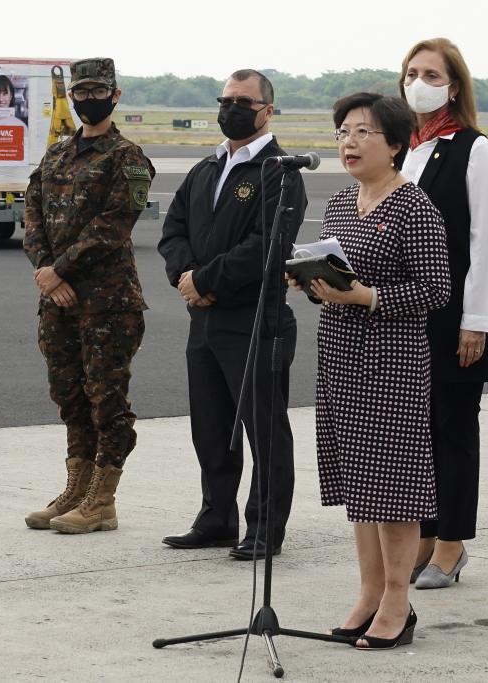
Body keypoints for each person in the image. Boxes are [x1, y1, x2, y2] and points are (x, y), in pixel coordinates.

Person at [288, 92, 451, 649]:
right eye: (342, 133)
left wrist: (367, 296)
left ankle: (398, 604)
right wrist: (314, 283)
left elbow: (435, 289)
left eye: (363, 133)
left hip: (393, 362)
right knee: (360, 485)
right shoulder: (338, 202)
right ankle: (368, 592)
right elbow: (337, 283)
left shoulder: (414, 205)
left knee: (393, 486)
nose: (349, 143)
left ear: (398, 144)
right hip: (340, 356)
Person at [157, 69, 306, 560]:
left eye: (243, 100)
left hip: (254, 321)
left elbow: (266, 245)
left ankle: (264, 528)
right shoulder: (206, 168)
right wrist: (186, 278)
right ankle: (216, 517)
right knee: (212, 427)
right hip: (204, 322)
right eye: (225, 99)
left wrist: (207, 281)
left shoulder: (280, 172)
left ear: (268, 110)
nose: (231, 108)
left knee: (264, 430)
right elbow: (173, 230)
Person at [22, 57, 154, 534]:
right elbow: (31, 213)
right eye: (79, 92)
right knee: (70, 396)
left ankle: (103, 500)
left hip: (107, 303)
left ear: (114, 96)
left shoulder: (127, 157)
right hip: (56, 299)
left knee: (107, 400)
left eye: (96, 91)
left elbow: (114, 227)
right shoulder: (56, 154)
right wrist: (44, 271)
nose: (86, 100)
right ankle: (76, 489)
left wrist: (59, 269)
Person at [398, 38, 488, 590]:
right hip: (409, 314)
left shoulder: (472, 148)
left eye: (431, 73)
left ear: (453, 85)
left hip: (456, 315)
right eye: (412, 72)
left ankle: (452, 541)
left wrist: (476, 321)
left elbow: (485, 242)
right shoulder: (405, 149)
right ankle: (424, 533)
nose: (418, 81)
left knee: (453, 429)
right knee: (419, 432)